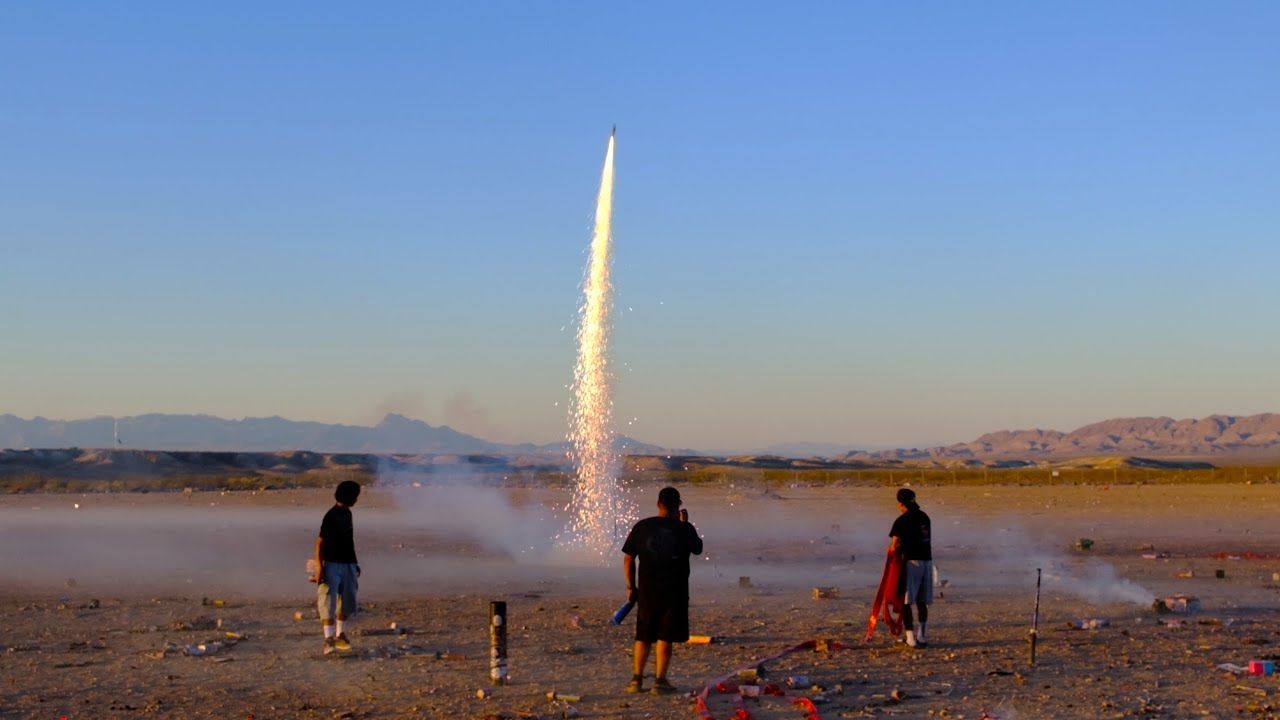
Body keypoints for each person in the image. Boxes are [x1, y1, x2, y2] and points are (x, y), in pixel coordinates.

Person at [621, 486, 703, 694]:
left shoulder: (642, 526)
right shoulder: (684, 528)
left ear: (658, 504)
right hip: (675, 591)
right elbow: (698, 549)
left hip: (647, 590)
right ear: (679, 505)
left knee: (644, 635)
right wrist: (685, 524)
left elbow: (629, 558)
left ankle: (636, 679)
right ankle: (659, 681)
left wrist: (631, 586)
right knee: (665, 636)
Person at [311, 480, 362, 656]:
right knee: (328, 600)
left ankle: (341, 635)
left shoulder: (348, 514)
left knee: (347, 600)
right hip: (332, 563)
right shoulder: (331, 516)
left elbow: (349, 540)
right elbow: (320, 543)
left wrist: (354, 562)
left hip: (348, 563)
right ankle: (329, 639)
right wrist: (320, 567)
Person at [888, 487, 932, 647]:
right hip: (926, 562)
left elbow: (894, 545)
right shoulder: (924, 517)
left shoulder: (902, 520)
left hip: (911, 563)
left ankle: (911, 639)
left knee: (906, 602)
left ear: (901, 504)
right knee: (922, 601)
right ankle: (922, 636)